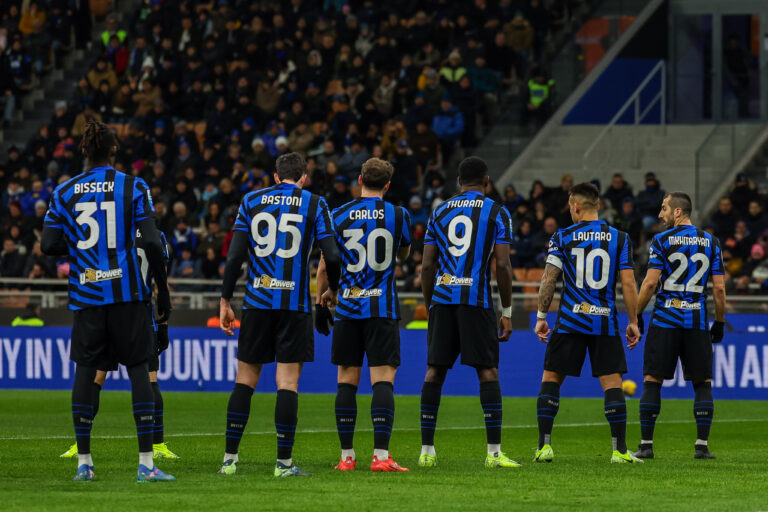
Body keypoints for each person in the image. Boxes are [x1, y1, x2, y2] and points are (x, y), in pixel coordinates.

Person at [41, 120, 174, 482]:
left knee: (86, 372)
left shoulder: (64, 191)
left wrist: (85, 250)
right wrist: (161, 290)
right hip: (128, 293)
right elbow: (150, 240)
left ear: (84, 151)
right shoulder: (134, 186)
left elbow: (48, 245)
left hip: (87, 295)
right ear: (114, 151)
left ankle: (84, 463)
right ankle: (146, 465)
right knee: (139, 372)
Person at [218, 152, 341, 477]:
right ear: (303, 177)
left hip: (257, 302)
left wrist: (225, 300)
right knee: (287, 382)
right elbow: (332, 254)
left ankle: (229, 461)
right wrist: (332, 290)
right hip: (294, 305)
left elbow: (233, 258)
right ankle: (283, 464)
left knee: (245, 380)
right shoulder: (315, 203)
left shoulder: (250, 200)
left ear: (275, 176)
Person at [418, 156, 518, 469]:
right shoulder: (497, 212)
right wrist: (507, 310)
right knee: (487, 371)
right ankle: (493, 453)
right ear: (487, 182)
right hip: (475, 301)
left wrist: (430, 303)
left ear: (458, 182)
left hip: (443, 300)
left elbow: (426, 265)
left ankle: (426, 451)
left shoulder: (440, 210)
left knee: (435, 370)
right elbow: (501, 265)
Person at [315, 158, 412, 472]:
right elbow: (404, 253)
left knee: (346, 380)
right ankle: (381, 458)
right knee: (383, 380)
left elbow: (323, 264)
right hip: (381, 308)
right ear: (387, 184)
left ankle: (346, 457)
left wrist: (323, 296)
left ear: (359, 179)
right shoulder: (398, 215)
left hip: (347, 307)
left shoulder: (338, 214)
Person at [534, 182, 641, 464]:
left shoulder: (562, 236)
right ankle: (619, 451)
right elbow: (629, 283)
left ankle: (544, 447)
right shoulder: (620, 238)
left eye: (570, 206)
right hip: (604, 322)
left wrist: (542, 317)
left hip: (570, 320)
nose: (570, 211)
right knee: (613, 384)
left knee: (551, 379)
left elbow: (549, 279)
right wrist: (633, 320)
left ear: (577, 207)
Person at [59, 228, 179, 461]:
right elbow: (159, 278)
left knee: (96, 378)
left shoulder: (105, 228)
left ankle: (81, 445)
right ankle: (156, 445)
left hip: (104, 310)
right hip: (138, 315)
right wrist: (163, 324)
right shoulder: (155, 234)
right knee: (147, 376)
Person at [632, 192, 726, 460]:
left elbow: (650, 283)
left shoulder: (661, 241)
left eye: (664, 209)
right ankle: (701, 446)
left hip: (665, 320)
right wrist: (719, 322)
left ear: (677, 212)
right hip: (696, 321)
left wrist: (637, 314)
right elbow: (719, 289)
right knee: (702, 382)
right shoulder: (711, 241)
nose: (660, 215)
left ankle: (646, 445)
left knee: (653, 380)